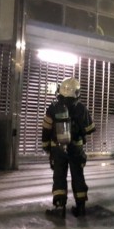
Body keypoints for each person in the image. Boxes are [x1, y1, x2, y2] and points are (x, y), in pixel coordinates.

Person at [42, 77, 96, 218]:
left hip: (58, 148)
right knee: (78, 177)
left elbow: (46, 129)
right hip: (76, 149)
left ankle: (59, 209)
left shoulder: (53, 107)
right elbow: (90, 128)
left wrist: (46, 146)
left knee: (59, 176)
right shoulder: (81, 108)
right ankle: (81, 208)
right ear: (76, 92)